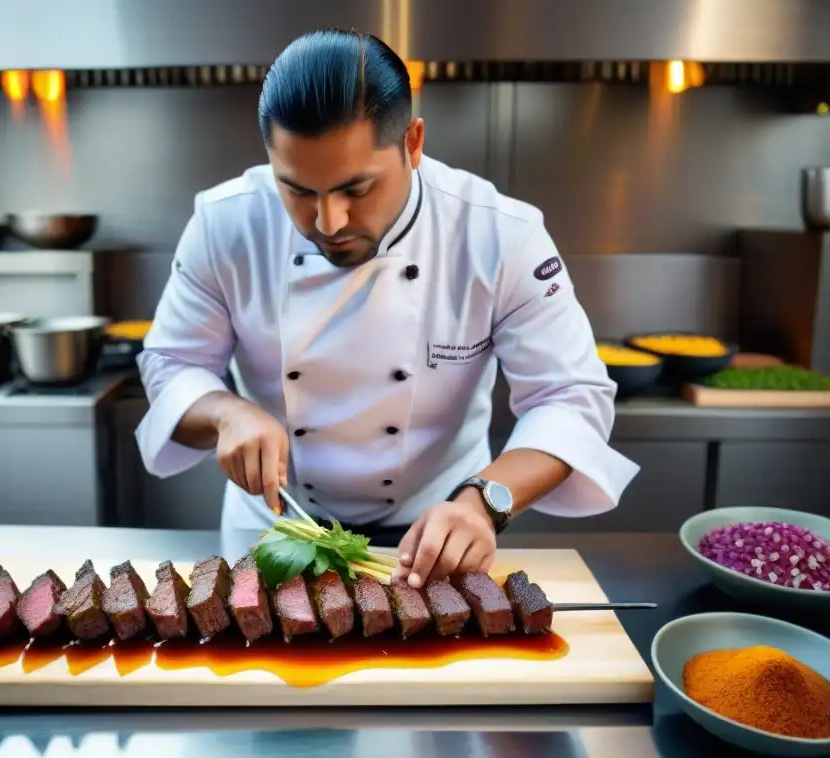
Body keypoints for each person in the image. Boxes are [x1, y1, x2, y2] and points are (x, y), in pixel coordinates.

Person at [136, 28, 640, 589]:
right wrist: (226, 412)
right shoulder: (225, 223)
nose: (329, 223)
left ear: (413, 142)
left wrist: (484, 502)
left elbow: (569, 396)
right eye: (297, 190)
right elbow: (171, 364)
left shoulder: (499, 234)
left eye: (357, 188)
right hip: (274, 537)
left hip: (436, 540)